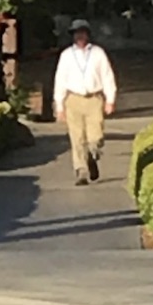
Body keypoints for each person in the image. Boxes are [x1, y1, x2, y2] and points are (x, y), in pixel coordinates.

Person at [52, 19, 117, 186]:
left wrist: (110, 99)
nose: (80, 36)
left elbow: (107, 76)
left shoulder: (98, 53)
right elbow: (60, 80)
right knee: (77, 137)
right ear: (73, 36)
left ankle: (92, 155)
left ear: (87, 34)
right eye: (77, 33)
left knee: (96, 136)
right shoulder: (66, 55)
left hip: (94, 98)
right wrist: (59, 106)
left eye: (83, 32)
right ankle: (81, 171)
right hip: (73, 99)